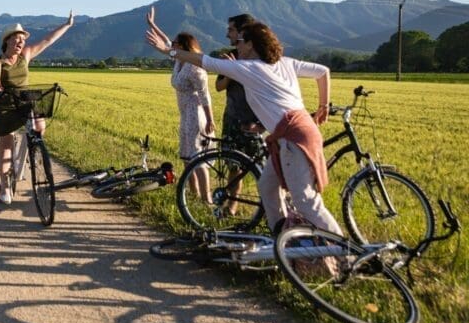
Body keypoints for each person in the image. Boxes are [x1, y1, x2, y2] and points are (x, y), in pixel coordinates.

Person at [146, 20, 343, 236]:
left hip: (293, 137)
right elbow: (323, 71)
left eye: (240, 41)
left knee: (306, 201)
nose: (236, 45)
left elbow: (204, 61)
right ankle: (283, 240)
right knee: (268, 187)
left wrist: (169, 52)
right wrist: (323, 105)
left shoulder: (249, 68)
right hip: (295, 132)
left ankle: (345, 253)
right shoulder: (284, 62)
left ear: (250, 44)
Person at [0, 11, 74, 205]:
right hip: (4, 103)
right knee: (6, 144)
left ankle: (32, 148)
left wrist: (67, 25)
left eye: (22, 40)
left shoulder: (26, 55)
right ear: (7, 41)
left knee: (39, 124)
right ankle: (4, 186)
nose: (21, 43)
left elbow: (47, 40)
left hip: (23, 100)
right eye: (17, 39)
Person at [146, 6, 215, 204]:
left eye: (176, 44)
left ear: (184, 47)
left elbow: (205, 94)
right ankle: (193, 197)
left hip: (197, 114)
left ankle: (207, 199)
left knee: (198, 158)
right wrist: (153, 24)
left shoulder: (195, 68)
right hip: (185, 114)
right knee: (187, 158)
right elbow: (167, 43)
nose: (172, 46)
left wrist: (210, 119)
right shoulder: (179, 62)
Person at [215, 13, 262, 216]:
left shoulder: (259, 58)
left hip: (254, 122)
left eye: (231, 30)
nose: (228, 34)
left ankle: (270, 211)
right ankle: (231, 207)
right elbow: (218, 86)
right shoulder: (231, 56)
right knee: (233, 169)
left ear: (243, 32)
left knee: (261, 169)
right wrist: (230, 70)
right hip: (232, 119)